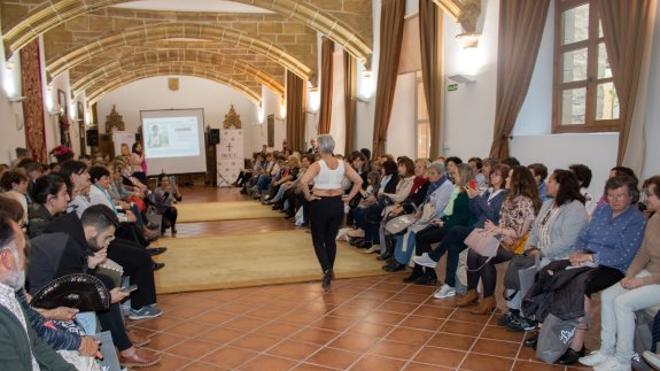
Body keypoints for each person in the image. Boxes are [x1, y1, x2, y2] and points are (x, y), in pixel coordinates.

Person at [555, 175, 646, 365]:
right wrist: (578, 252)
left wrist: (590, 257)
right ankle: (552, 334)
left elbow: (623, 256)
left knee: (581, 284)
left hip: (614, 267)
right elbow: (584, 235)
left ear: (631, 196)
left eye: (620, 196)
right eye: (610, 196)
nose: (614, 200)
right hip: (587, 257)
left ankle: (577, 345)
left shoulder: (636, 219)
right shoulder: (603, 210)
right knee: (553, 272)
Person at [578, 176, 660, 371]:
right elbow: (644, 252)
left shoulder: (642, 218)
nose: (645, 198)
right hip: (648, 273)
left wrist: (641, 281)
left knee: (622, 302)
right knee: (608, 295)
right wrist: (630, 275)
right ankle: (605, 351)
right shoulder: (655, 217)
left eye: (649, 194)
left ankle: (622, 360)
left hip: (656, 279)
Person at [500, 169, 589, 332]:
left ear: (561, 185)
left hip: (561, 256)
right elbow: (534, 229)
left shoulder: (575, 209)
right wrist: (530, 248)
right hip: (539, 250)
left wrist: (541, 252)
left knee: (538, 268)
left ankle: (530, 316)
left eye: (551, 181)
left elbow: (567, 241)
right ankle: (514, 311)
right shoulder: (548, 203)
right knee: (519, 262)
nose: (547, 184)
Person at [413, 163, 511, 298]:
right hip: (478, 228)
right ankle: (449, 285)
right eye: (492, 173)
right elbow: (476, 212)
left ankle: (434, 257)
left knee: (455, 230)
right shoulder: (488, 191)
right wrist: (473, 199)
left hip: (488, 231)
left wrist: (476, 198)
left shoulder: (504, 196)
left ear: (504, 178)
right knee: (453, 246)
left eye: (497, 174)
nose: (492, 176)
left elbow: (492, 215)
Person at [456, 166, 541, 314]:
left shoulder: (524, 202)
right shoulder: (510, 198)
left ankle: (489, 300)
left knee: (485, 257)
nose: (507, 179)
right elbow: (502, 222)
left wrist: (498, 230)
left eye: (510, 177)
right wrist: (498, 230)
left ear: (517, 181)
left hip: (518, 245)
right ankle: (472, 292)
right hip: (504, 237)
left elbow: (520, 233)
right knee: (474, 250)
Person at [0, 213, 77, 370]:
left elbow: (34, 343)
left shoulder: (10, 293)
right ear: (6, 259)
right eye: (23, 251)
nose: (26, 260)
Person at [298, 135, 363, 290]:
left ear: (320, 148)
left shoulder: (317, 165)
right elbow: (359, 181)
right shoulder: (343, 164)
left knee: (318, 240)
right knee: (330, 239)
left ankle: (327, 269)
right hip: (336, 204)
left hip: (320, 204)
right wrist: (349, 197)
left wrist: (308, 196)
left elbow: (303, 181)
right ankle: (330, 270)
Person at [405, 163, 475, 285]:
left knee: (424, 237)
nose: (453, 177)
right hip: (449, 222)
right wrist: (443, 220)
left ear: (463, 176)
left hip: (456, 228)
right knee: (419, 235)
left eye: (455, 174)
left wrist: (444, 222)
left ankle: (430, 273)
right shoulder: (460, 189)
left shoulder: (466, 193)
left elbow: (462, 218)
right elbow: (453, 213)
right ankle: (420, 271)